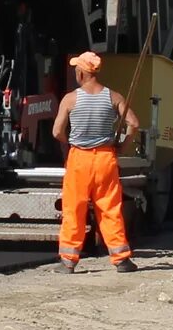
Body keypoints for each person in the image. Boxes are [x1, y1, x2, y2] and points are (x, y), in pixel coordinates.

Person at [50, 49, 138, 273]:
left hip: (79, 159)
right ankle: (121, 260)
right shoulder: (114, 97)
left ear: (81, 73)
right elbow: (134, 123)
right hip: (106, 158)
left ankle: (69, 262)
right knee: (110, 209)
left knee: (74, 209)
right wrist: (122, 146)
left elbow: (56, 131)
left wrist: (70, 141)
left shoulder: (70, 99)